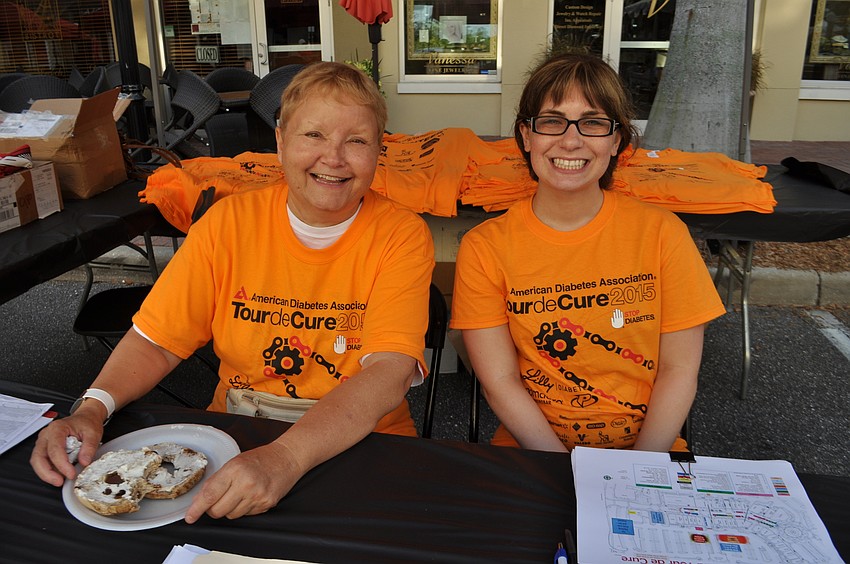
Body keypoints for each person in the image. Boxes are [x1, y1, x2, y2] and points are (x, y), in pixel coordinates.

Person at [30, 61, 435, 521]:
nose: (334, 157)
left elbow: (389, 371)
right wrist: (91, 409)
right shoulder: (227, 223)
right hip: (238, 434)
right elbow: (158, 339)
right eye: (314, 135)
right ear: (280, 142)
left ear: (380, 150)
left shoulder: (400, 235)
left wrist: (286, 458)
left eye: (357, 140)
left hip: (362, 444)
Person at [450, 53, 725, 453]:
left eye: (593, 123)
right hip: (535, 452)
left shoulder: (663, 233)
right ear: (526, 136)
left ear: (616, 141)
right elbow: (500, 381)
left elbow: (679, 369)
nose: (571, 140)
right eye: (552, 121)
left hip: (648, 452)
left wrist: (634, 471)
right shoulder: (485, 247)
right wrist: (570, 471)